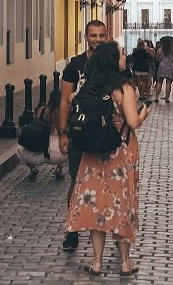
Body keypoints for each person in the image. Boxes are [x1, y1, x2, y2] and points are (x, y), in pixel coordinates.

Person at [66, 40, 151, 276]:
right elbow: (133, 121)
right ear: (113, 60)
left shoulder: (90, 86)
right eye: (122, 54)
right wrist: (143, 114)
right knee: (122, 205)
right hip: (120, 152)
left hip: (93, 153)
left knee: (97, 207)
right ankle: (125, 262)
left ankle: (97, 262)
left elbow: (73, 101)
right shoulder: (124, 89)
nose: (125, 57)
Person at [58, 19, 109, 252]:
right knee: (76, 182)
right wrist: (62, 133)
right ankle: (72, 230)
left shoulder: (112, 64)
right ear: (86, 37)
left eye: (101, 35)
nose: (97, 40)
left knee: (105, 185)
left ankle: (104, 230)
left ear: (106, 37)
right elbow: (64, 101)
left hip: (105, 134)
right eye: (93, 35)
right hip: (78, 132)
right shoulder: (75, 65)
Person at [17, 92, 67, 180]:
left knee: (20, 149)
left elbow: (35, 127)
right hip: (57, 155)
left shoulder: (41, 110)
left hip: (38, 153)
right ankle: (59, 168)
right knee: (69, 143)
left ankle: (32, 168)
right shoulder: (63, 114)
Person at [154, 38, 173, 103]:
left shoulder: (160, 50)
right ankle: (167, 99)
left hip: (162, 67)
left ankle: (156, 97)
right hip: (170, 67)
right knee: (168, 82)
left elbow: (157, 58)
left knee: (159, 82)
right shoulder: (172, 50)